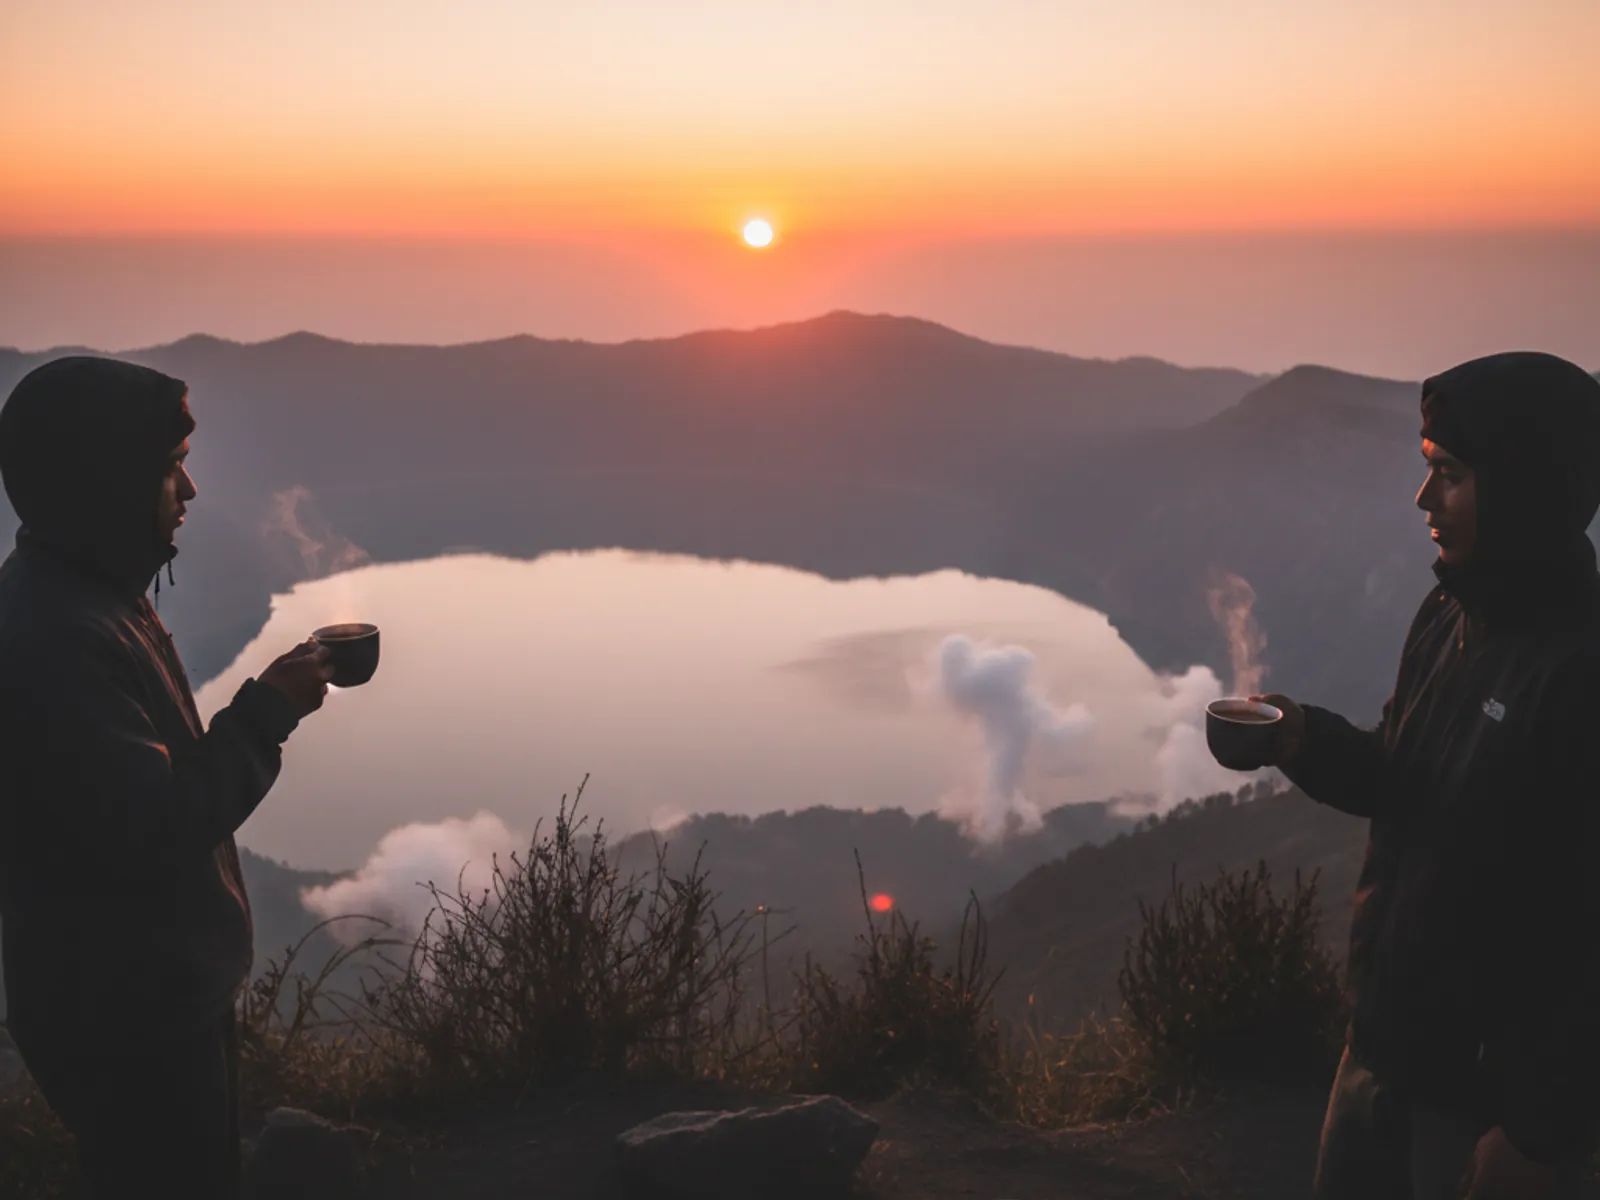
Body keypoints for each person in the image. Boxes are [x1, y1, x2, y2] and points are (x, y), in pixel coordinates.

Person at [1241, 351, 1600, 1199]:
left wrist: (1539, 1133)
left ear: (1528, 487)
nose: (1423, 498)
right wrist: (1301, 739)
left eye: (1452, 475)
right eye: (1428, 470)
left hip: (1479, 1107)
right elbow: (1408, 784)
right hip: (1377, 1054)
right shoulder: (1449, 613)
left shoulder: (1580, 675)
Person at [0, 357, 336, 1198]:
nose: (187, 489)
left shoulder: (88, 591)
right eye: (168, 466)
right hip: (128, 1014)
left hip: (134, 992)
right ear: (105, 480)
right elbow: (161, 819)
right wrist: (267, 713)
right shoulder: (62, 636)